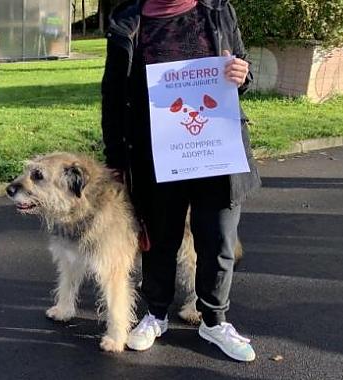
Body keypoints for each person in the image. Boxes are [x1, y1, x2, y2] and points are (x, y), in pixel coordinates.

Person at [101, 0, 261, 361]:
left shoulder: (217, 9)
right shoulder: (129, 20)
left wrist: (241, 74)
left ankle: (214, 320)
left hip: (215, 146)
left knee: (218, 236)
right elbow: (112, 95)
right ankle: (155, 314)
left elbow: (241, 70)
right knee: (159, 238)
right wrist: (115, 159)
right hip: (155, 153)